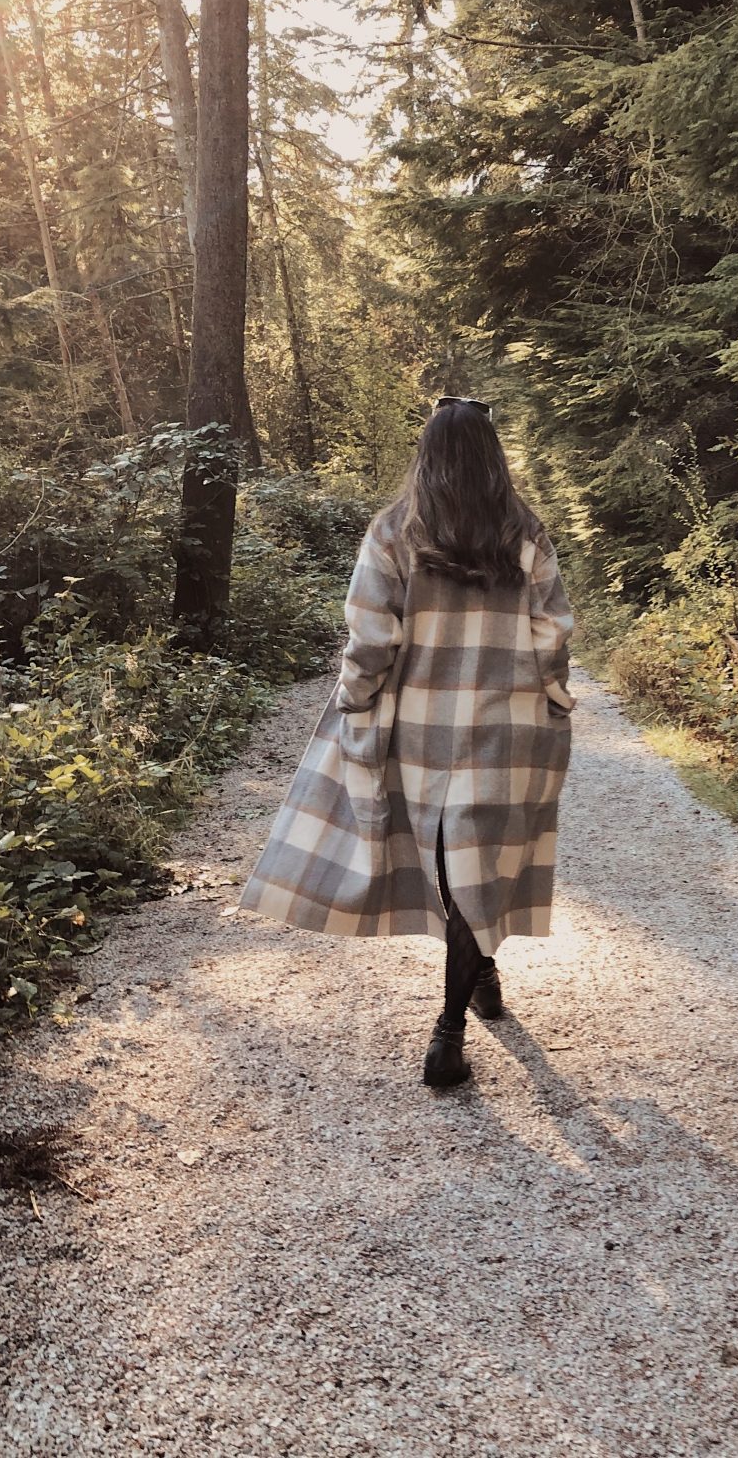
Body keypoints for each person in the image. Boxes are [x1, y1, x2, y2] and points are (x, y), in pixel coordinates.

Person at [236, 396, 576, 1088]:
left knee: (452, 874)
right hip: (506, 736)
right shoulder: (525, 534)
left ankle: (452, 1027)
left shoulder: (394, 533)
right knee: (480, 869)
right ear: (491, 459)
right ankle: (474, 987)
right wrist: (556, 702)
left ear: (427, 457)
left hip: (419, 738)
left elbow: (370, 641)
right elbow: (553, 636)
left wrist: (355, 704)